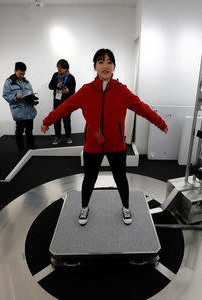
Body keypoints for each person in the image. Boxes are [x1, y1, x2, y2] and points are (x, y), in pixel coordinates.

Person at [41, 49, 168, 226]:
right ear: (95, 66)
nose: (105, 66)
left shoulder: (122, 91)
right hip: (93, 143)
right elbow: (65, 107)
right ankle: (84, 207)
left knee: (120, 178)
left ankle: (125, 207)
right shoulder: (86, 91)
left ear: (114, 66)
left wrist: (160, 123)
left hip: (116, 144)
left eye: (109, 62)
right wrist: (48, 121)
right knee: (89, 179)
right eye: (101, 62)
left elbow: (142, 108)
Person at [3, 62, 38, 151]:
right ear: (15, 71)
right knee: (19, 131)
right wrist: (15, 96)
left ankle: (30, 146)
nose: (22, 75)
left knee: (29, 129)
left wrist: (32, 98)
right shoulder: (9, 82)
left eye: (23, 73)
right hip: (19, 111)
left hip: (29, 110)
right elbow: (5, 95)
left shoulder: (27, 82)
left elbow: (30, 92)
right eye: (20, 73)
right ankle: (21, 148)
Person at [48, 59, 76, 145]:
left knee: (66, 121)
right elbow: (50, 86)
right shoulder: (55, 75)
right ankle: (58, 137)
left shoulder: (71, 77)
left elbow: (73, 92)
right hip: (57, 101)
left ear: (66, 68)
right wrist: (56, 85)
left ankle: (68, 137)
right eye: (58, 67)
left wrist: (68, 92)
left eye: (61, 67)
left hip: (67, 102)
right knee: (56, 120)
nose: (59, 69)